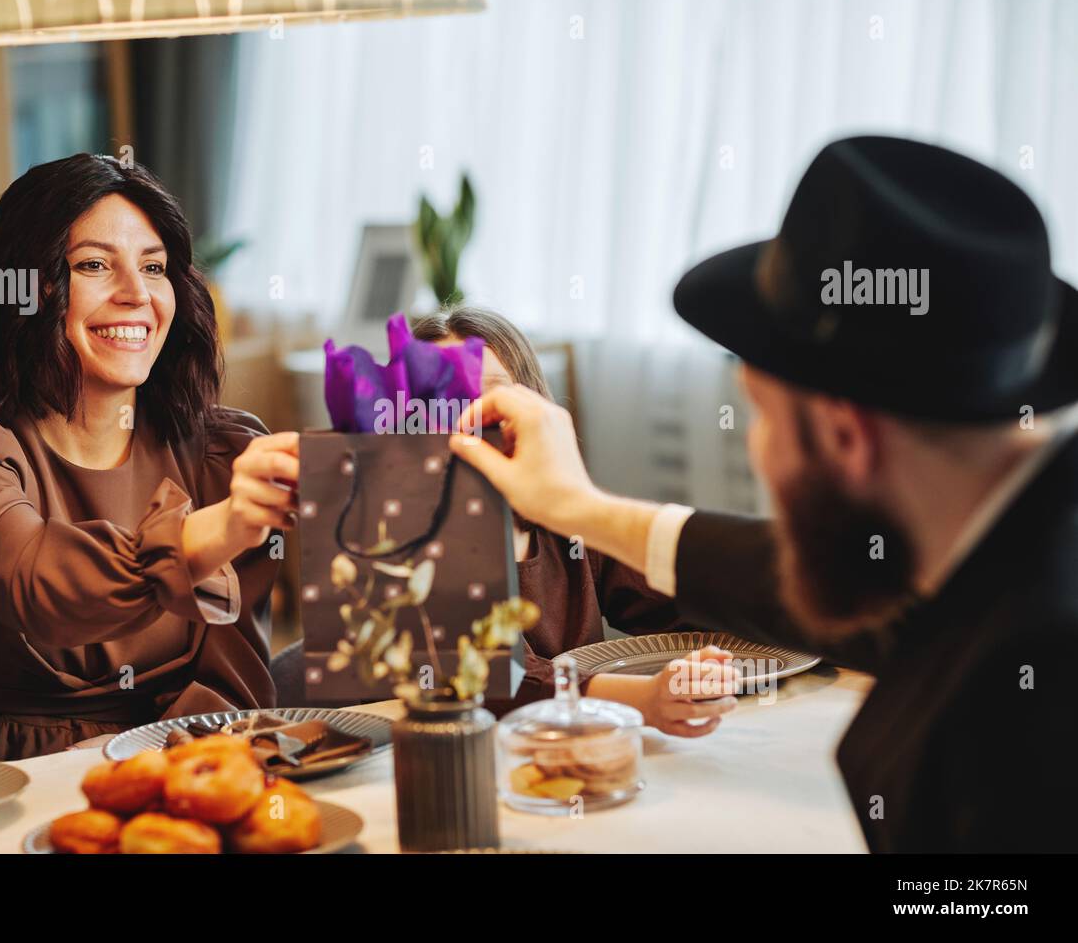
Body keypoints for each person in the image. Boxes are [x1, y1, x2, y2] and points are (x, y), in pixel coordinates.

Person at [447, 135, 1078, 852]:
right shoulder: (999, 550)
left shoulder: (1045, 669)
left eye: (761, 414)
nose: (756, 446)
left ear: (847, 437)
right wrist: (584, 510)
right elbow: (782, 579)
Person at [0, 155, 299, 759]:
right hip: (0, 789)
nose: (136, 294)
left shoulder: (222, 453)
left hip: (176, 766)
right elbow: (35, 581)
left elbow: (231, 687)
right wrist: (224, 526)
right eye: (95, 265)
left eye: (154, 268)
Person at [413, 306, 738, 735]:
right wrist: (646, 700)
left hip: (575, 751)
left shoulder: (564, 525)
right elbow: (497, 682)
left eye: (491, 396)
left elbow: (674, 602)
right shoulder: (408, 547)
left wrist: (713, 659)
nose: (468, 419)